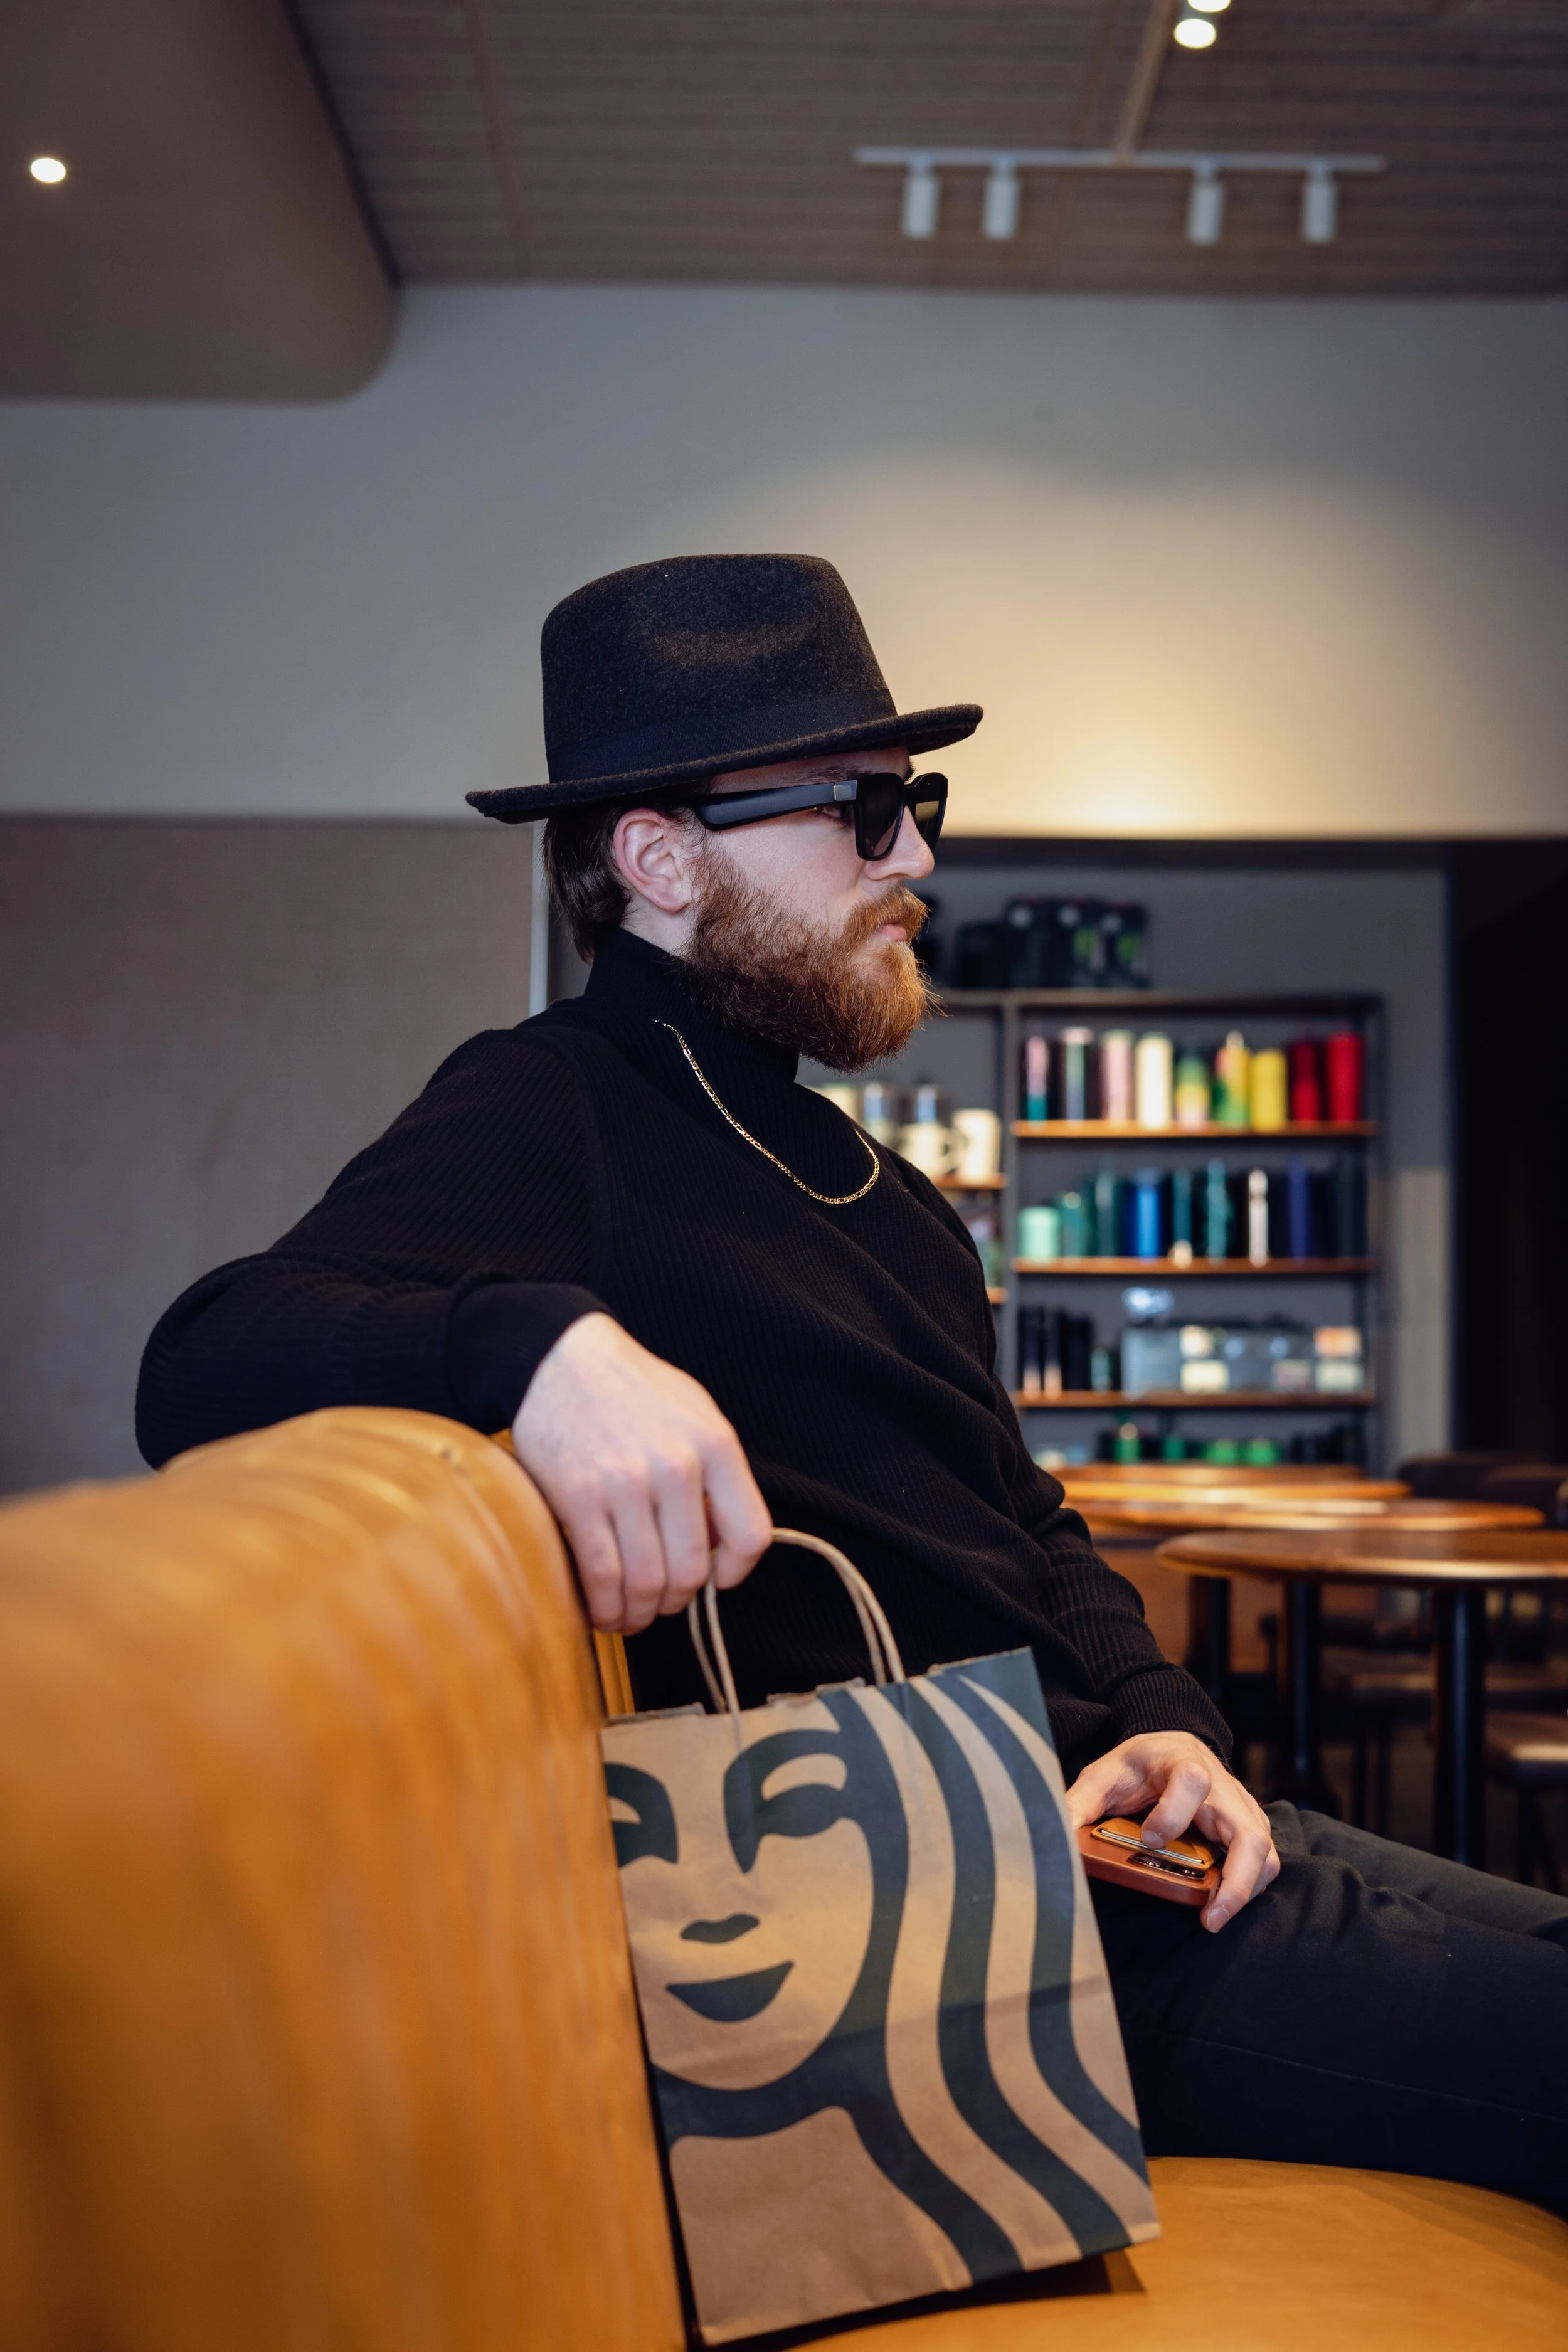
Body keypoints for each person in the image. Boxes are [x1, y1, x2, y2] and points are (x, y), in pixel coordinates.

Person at [137, 553, 1567, 2214]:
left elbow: (1027, 1522)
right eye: (866, 809)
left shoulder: (879, 1191)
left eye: (920, 802)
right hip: (961, 1942)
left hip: (1121, 1844)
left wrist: (1174, 1723)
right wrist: (531, 1345)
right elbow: (206, 1353)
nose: (920, 856)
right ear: (662, 859)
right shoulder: (558, 1105)